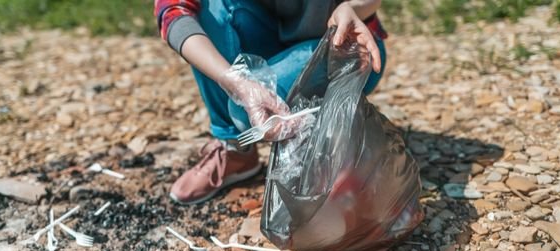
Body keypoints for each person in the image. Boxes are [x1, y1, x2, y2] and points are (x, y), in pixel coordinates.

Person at [154, 0, 388, 204]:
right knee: (210, 7)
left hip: (343, 39)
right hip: (265, 30)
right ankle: (234, 149)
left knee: (244, 113)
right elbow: (174, 10)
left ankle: (326, 143)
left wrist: (348, 7)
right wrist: (234, 82)